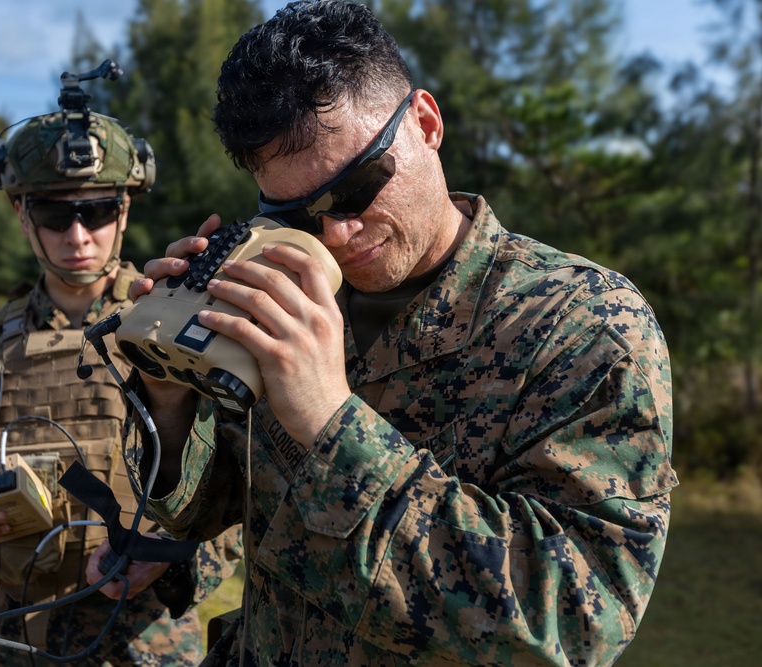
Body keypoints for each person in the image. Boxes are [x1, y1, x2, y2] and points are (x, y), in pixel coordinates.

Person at [122, 1, 678, 665]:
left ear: (425, 122)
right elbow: (204, 510)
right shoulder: (288, 300)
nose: (336, 233)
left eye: (356, 186)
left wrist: (332, 424)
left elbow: (570, 621)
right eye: (294, 211)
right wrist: (170, 393)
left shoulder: (583, 323)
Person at [0, 103, 242, 666]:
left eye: (98, 211)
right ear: (21, 215)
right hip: (21, 637)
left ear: (125, 210)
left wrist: (173, 559)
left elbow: (240, 479)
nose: (78, 235)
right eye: (56, 217)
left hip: (146, 640)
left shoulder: (179, 328)